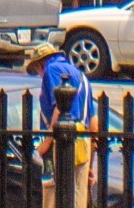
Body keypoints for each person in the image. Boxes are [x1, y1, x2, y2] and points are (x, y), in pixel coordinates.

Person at [23, 37, 97, 208]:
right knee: (78, 198)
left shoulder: (52, 70)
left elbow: (60, 106)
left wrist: (47, 142)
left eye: (37, 71)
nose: (40, 75)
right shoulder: (82, 76)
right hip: (83, 142)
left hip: (61, 140)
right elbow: (94, 125)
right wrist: (91, 163)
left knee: (53, 196)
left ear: (40, 64)